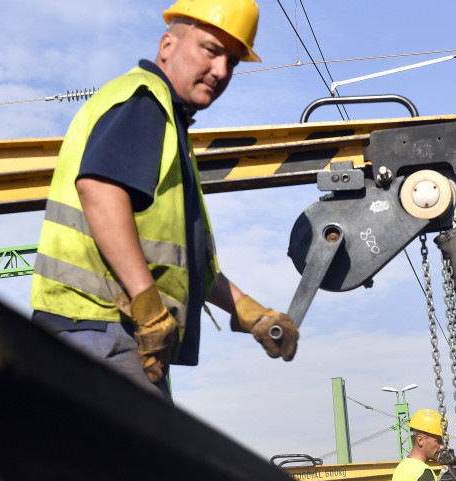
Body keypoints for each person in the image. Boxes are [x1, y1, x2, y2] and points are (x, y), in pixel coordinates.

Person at [30, 0, 297, 400]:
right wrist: (148, 306)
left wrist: (250, 313)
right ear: (168, 44)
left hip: (105, 331)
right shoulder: (146, 101)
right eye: (210, 50)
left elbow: (178, 261)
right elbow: (100, 191)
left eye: (233, 62)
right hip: (99, 328)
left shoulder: (165, 120)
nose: (221, 71)